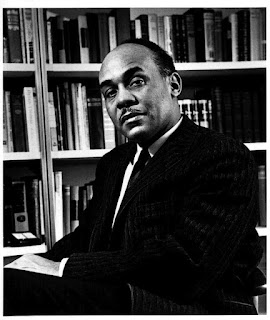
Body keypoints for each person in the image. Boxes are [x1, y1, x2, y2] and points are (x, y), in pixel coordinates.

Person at [4, 38, 265, 315]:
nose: (123, 100)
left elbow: (189, 262)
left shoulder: (222, 155)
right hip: (117, 292)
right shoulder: (114, 163)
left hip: (191, 305)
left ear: (174, 85)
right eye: (110, 92)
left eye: (136, 81)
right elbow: (86, 237)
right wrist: (33, 262)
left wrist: (62, 268)